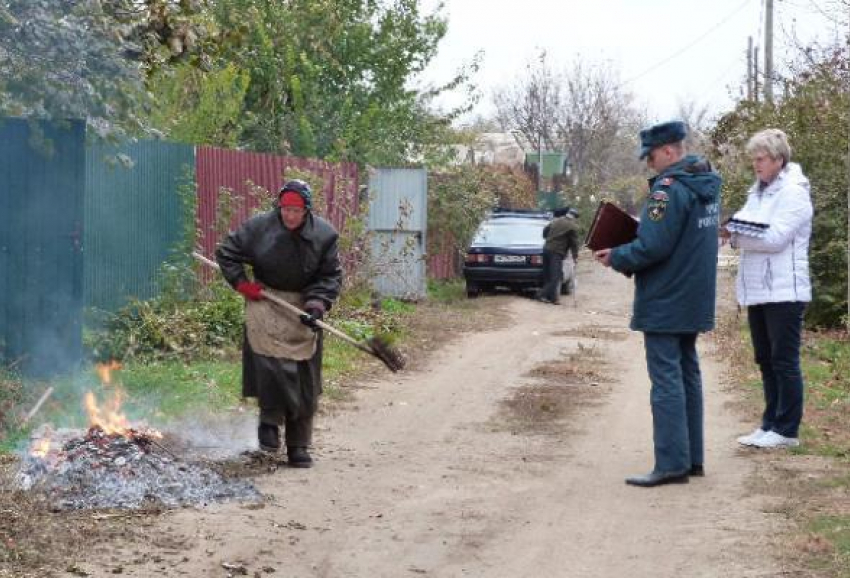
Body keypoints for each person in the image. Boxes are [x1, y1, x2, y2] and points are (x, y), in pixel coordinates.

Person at [594, 120, 722, 487]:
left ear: (669, 150)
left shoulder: (668, 190)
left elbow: (653, 246)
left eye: (650, 156)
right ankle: (692, 458)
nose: (649, 164)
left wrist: (615, 255)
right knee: (687, 374)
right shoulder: (705, 185)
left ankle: (671, 464)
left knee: (666, 379)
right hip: (693, 297)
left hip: (666, 298)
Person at [216, 179, 342, 467]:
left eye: (296, 210)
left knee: (303, 378)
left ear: (307, 210)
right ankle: (268, 429)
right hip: (266, 303)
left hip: (302, 307)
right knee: (269, 369)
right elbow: (227, 252)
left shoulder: (325, 236)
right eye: (285, 209)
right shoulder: (259, 227)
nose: (290, 215)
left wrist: (317, 303)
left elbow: (330, 276)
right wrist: (242, 284)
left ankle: (298, 446)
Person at [724, 129, 812, 449]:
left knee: (784, 361)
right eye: (753, 159)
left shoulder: (795, 192)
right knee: (764, 358)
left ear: (778, 159)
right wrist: (733, 232)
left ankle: (787, 430)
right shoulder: (757, 192)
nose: (755, 165)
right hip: (758, 289)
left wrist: (736, 234)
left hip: (784, 290)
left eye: (760, 159)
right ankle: (770, 423)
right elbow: (745, 228)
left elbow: (775, 239)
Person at [536, 207, 580, 304]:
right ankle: (541, 294)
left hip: (546, 249)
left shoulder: (556, 220)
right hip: (556, 253)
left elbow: (545, 231)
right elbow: (574, 244)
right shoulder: (572, 226)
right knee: (556, 277)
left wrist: (549, 238)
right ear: (575, 217)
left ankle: (553, 298)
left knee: (548, 275)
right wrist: (575, 256)